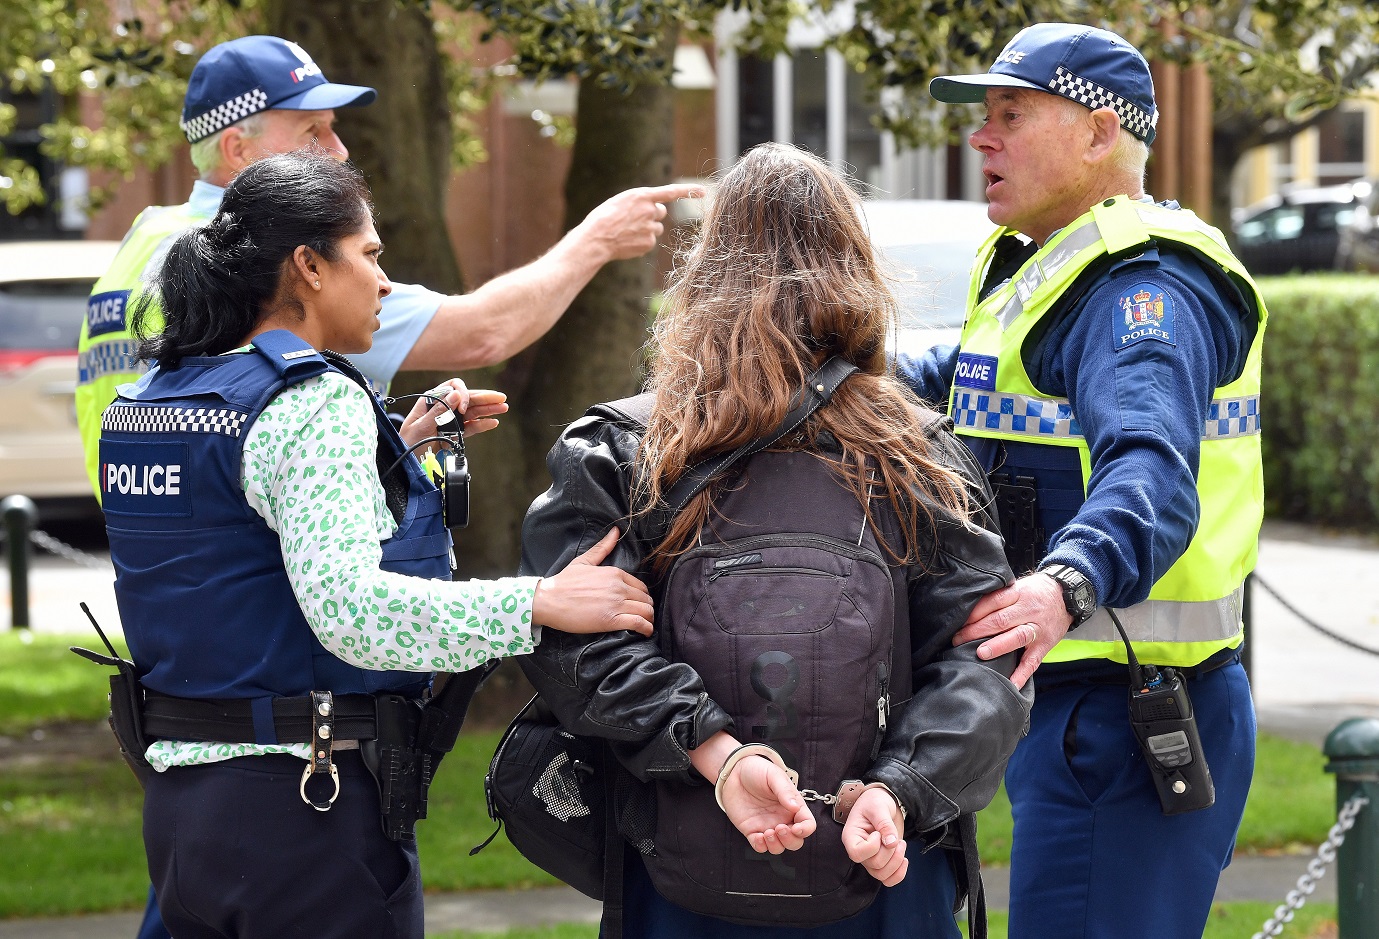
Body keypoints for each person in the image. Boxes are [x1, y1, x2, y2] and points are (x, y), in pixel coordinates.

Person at [98, 150, 655, 939]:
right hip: (308, 818)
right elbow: (352, 612)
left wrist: (391, 444)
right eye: (369, 254)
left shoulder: (153, 400)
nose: (383, 280)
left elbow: (230, 543)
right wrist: (539, 602)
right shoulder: (311, 400)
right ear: (308, 266)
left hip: (185, 820)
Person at [519, 142, 1032, 937]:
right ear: (853, 268)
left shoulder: (622, 446)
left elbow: (573, 646)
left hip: (680, 867)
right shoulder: (917, 449)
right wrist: (898, 788)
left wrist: (720, 754)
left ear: (705, 272)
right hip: (882, 863)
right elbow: (987, 656)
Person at [897, 23, 1267, 939]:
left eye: (1010, 115)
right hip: (1068, 699)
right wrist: (819, 370)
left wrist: (1065, 583)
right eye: (983, 117)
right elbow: (968, 373)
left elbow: (1151, 468)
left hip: (1124, 714)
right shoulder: (1045, 263)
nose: (981, 137)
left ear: (1100, 135)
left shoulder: (1140, 288)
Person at [78, 32, 698, 498]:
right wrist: (596, 240)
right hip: (267, 573)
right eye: (312, 131)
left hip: (166, 548)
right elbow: (485, 331)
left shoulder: (147, 239)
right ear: (239, 148)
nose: (339, 151)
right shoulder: (269, 259)